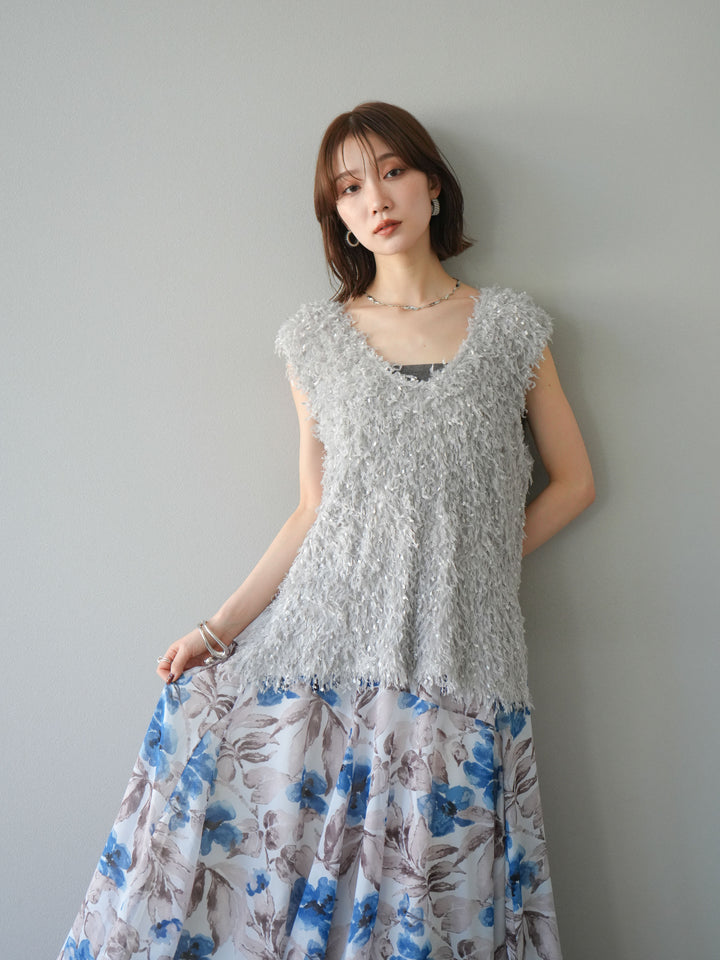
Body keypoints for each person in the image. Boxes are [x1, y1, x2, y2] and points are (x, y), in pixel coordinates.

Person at [59, 102, 594, 960]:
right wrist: (214, 631)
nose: (374, 198)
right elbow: (312, 511)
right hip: (325, 638)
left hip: (460, 646)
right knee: (273, 876)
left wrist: (470, 568)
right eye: (349, 188)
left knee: (437, 901)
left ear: (431, 186)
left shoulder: (510, 329)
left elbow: (574, 483)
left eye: (392, 172)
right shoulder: (316, 340)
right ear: (336, 214)